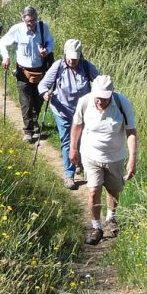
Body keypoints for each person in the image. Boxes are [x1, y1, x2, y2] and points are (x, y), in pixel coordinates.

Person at [70, 75, 138, 245]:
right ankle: (96, 227)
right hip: (91, 154)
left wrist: (132, 159)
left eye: (104, 98)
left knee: (113, 190)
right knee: (93, 190)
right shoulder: (85, 102)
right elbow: (77, 125)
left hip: (114, 156)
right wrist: (73, 148)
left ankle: (111, 218)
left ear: (111, 94)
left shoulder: (122, 103)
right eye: (97, 97)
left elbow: (131, 132)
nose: (99, 101)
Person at [38, 39, 100, 190]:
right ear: (65, 54)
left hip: (83, 112)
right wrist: (45, 93)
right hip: (62, 110)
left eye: (75, 58)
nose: (72, 61)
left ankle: (81, 164)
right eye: (70, 57)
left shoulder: (86, 66)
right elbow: (43, 84)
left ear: (80, 56)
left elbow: (100, 82)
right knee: (67, 142)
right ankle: (69, 174)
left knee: (83, 140)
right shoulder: (58, 65)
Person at [0, 6, 55, 143]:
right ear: (23, 19)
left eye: (34, 20)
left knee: (38, 100)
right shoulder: (17, 29)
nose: (31, 24)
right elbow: (2, 42)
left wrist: (46, 50)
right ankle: (28, 131)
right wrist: (5, 57)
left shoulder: (43, 27)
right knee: (26, 101)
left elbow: (51, 42)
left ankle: (34, 121)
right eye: (29, 21)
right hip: (23, 71)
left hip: (40, 71)